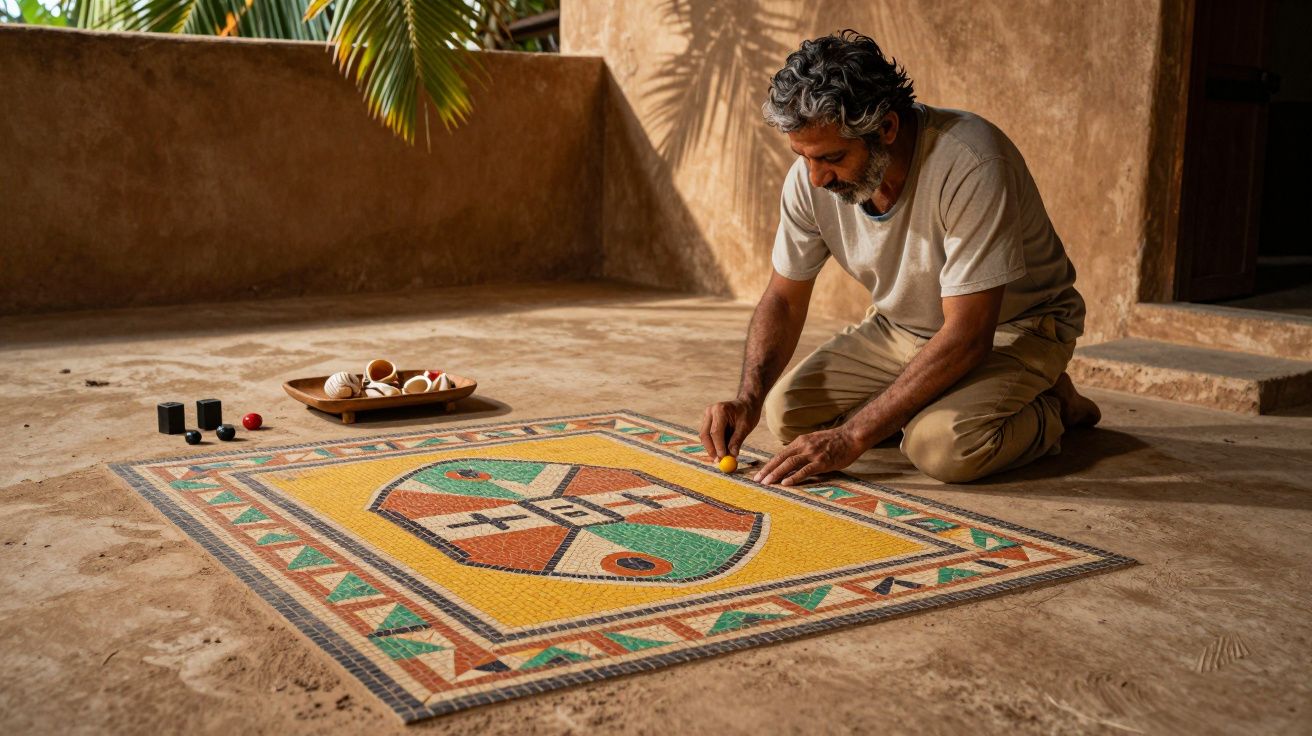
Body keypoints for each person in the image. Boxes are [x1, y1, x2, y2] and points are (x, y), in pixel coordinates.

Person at [699, 30, 1100, 486]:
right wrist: (747, 398)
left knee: (943, 448)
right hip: (903, 328)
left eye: (831, 157)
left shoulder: (972, 161)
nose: (814, 178)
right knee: (787, 414)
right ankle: (943, 397)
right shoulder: (811, 177)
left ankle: (1054, 405)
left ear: (886, 128)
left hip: (1015, 329)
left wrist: (851, 437)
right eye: (803, 156)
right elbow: (785, 300)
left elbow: (970, 334)